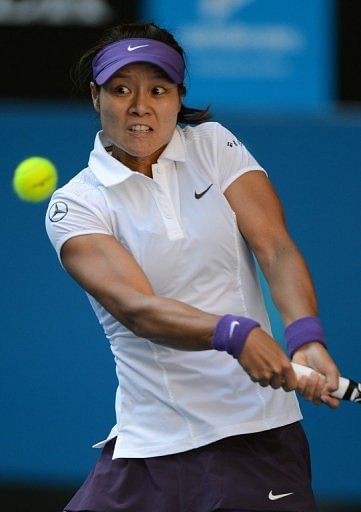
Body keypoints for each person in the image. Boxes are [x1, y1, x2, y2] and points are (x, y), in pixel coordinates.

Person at [46, 21, 340, 512]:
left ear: (179, 97)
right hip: (149, 446)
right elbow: (138, 309)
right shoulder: (74, 205)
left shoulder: (214, 146)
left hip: (255, 437)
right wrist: (236, 334)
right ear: (96, 96)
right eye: (121, 90)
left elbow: (276, 248)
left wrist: (305, 336)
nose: (140, 105)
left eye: (158, 90)